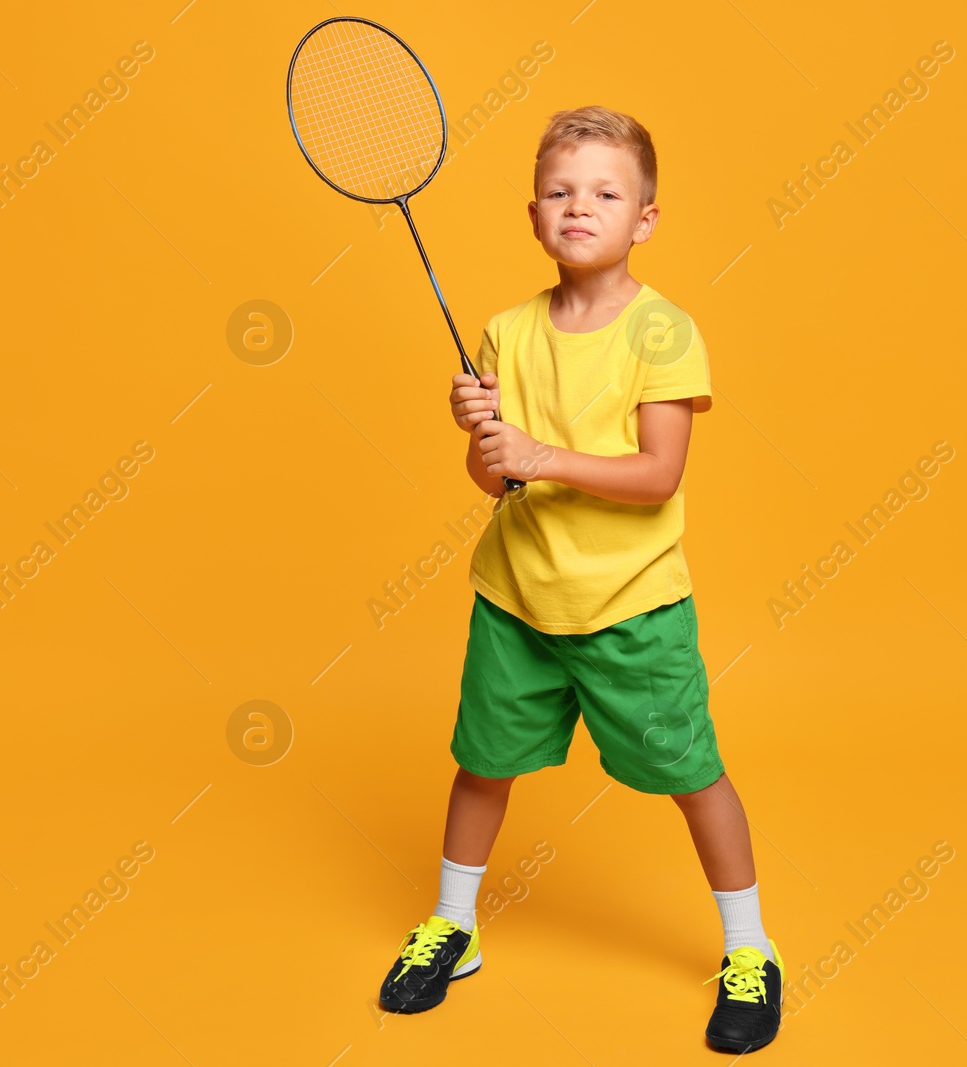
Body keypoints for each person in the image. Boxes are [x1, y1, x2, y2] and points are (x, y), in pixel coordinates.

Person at [374, 105, 783, 1054]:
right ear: (533, 216)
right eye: (560, 192)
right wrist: (479, 434)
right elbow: (496, 479)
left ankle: (750, 946)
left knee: (693, 775)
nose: (579, 207)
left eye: (605, 192)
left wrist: (538, 450)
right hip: (517, 599)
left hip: (632, 608)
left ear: (644, 218)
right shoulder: (505, 332)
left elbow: (657, 477)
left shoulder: (665, 332)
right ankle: (455, 923)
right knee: (481, 766)